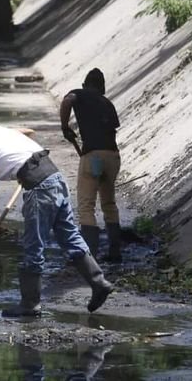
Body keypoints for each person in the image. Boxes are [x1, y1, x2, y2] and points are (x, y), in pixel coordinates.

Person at [0, 125, 113, 317]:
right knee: (69, 236)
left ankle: (29, 304)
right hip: (54, 176)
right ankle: (99, 283)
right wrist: (20, 167)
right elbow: (27, 132)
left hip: (39, 187)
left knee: (33, 246)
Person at [60, 68, 122, 262]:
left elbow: (66, 101)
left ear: (85, 84)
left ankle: (90, 256)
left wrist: (65, 126)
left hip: (93, 157)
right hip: (112, 157)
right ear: (102, 87)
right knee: (109, 203)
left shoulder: (79, 93)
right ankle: (115, 251)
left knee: (86, 206)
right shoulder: (108, 103)